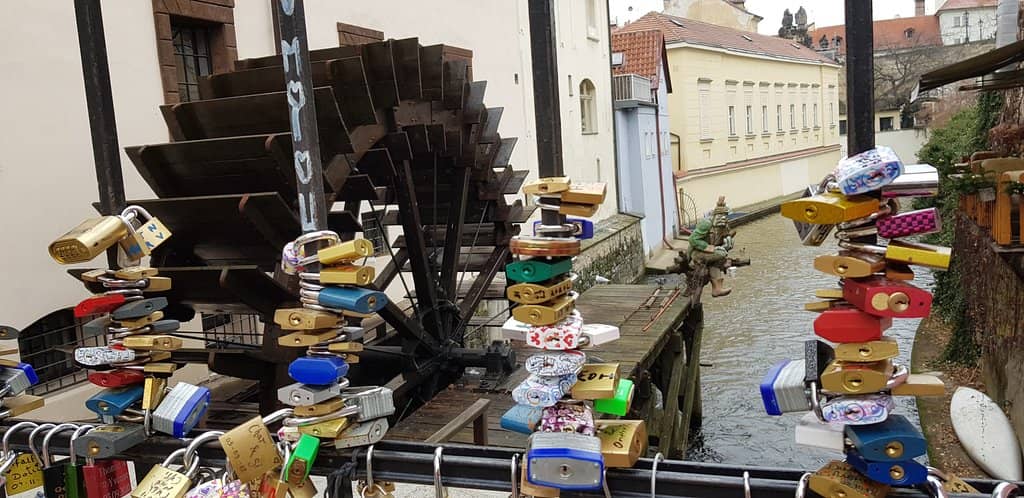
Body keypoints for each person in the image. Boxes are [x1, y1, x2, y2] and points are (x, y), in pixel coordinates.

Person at [688, 196, 736, 297]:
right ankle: (696, 265)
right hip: (698, 253)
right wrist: (711, 248)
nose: (724, 218)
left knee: (719, 258)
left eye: (726, 216)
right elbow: (692, 239)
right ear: (716, 215)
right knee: (721, 254)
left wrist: (728, 243)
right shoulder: (706, 224)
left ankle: (717, 289)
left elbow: (723, 239)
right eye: (722, 215)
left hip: (710, 253)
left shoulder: (723, 226)